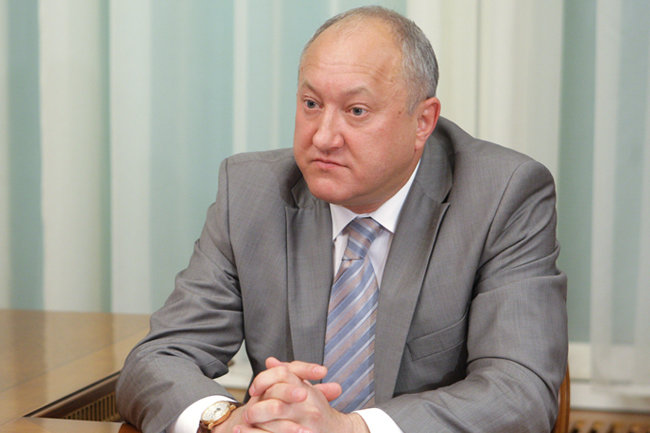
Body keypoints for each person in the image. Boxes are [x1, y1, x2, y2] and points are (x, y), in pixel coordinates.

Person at [116, 6, 567, 433]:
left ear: (423, 122)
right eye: (311, 104)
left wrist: (351, 427)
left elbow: (520, 392)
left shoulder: (501, 196)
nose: (324, 137)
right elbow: (159, 358)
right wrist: (226, 420)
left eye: (356, 111)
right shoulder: (251, 193)